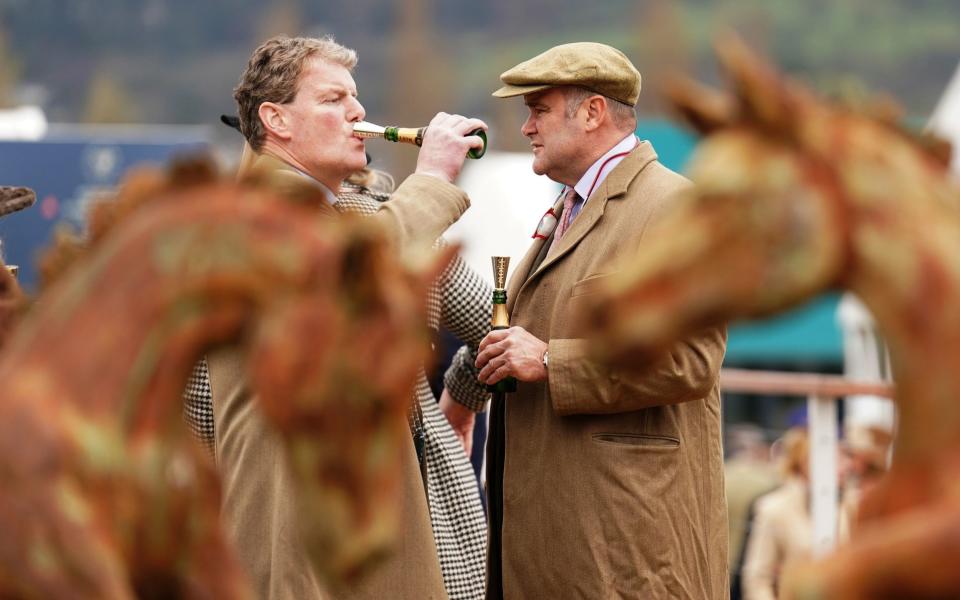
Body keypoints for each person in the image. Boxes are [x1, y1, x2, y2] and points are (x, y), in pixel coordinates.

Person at [206, 35, 488, 600]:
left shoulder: (333, 214)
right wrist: (430, 181)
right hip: (299, 541)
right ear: (276, 120)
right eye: (334, 99)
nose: (358, 113)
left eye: (355, 98)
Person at [467, 42, 728, 599]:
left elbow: (689, 360)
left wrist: (546, 359)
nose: (526, 127)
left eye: (538, 110)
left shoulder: (673, 207)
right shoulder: (566, 209)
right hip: (568, 553)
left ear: (592, 114)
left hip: (627, 557)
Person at [741, 428, 851, 600]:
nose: (845, 465)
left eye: (843, 458)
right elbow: (758, 579)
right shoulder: (774, 508)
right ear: (803, 462)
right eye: (833, 459)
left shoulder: (848, 505)